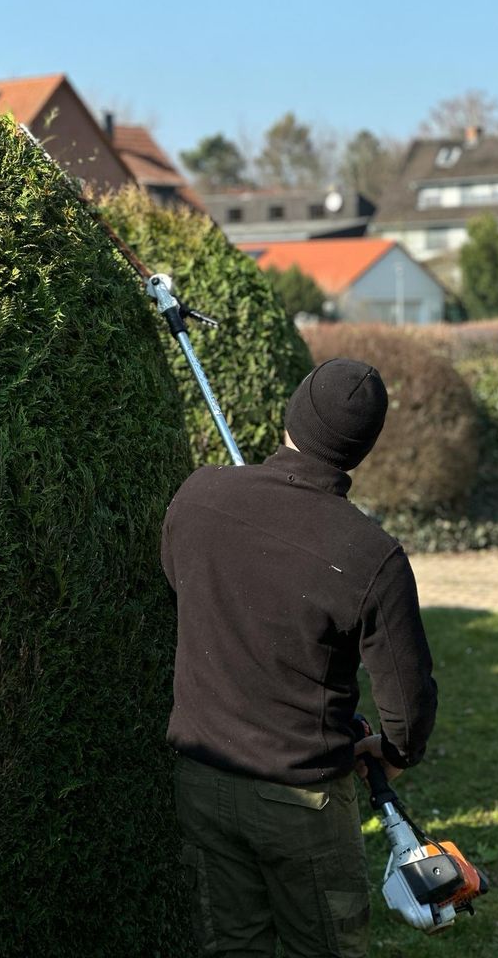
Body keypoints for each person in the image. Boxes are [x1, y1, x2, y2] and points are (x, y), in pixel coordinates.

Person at [161, 358, 438, 958]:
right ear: (362, 448)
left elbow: (180, 584)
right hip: (301, 800)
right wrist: (395, 754)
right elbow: (408, 700)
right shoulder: (372, 555)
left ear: (290, 415)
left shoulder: (198, 494)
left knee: (231, 946)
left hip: (202, 780)